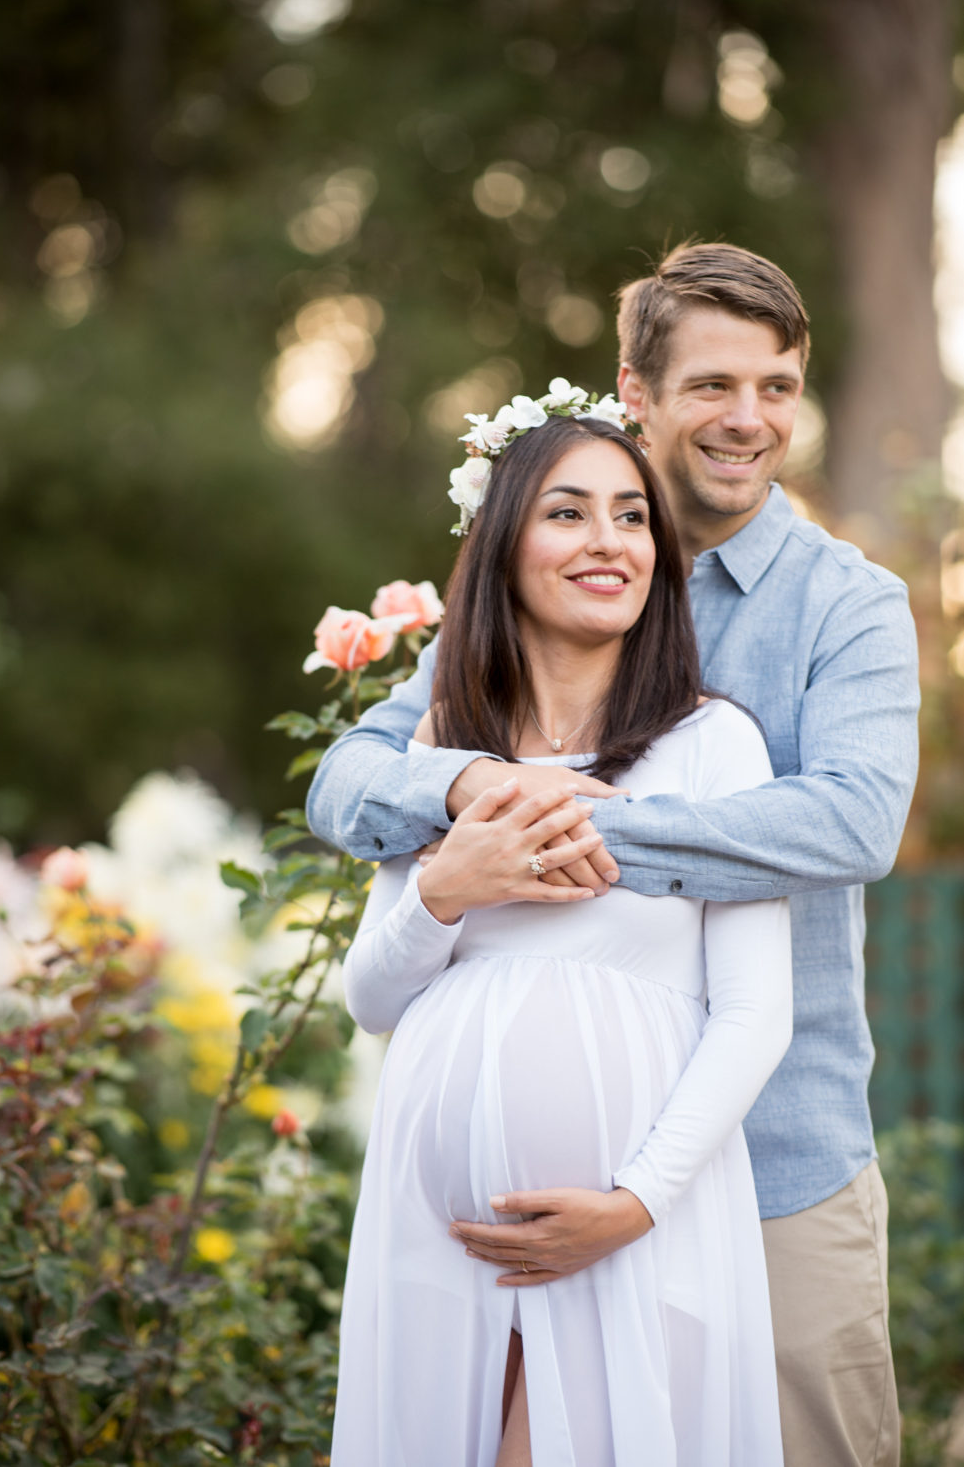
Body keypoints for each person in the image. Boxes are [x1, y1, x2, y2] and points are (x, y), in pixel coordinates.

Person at [307, 242, 920, 1467]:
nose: (746, 421)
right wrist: (474, 786)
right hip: (506, 1213)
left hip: (772, 1165)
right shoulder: (536, 577)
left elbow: (849, 823)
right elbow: (350, 782)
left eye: (777, 387)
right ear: (634, 394)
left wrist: (565, 824)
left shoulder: (843, 606)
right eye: (709, 386)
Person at [328, 395, 792, 1466]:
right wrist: (446, 887)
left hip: (627, 1230)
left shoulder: (713, 745)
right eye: (568, 513)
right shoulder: (444, 751)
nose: (608, 542)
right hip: (434, 1238)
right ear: (503, 548)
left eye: (631, 518)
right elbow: (370, 999)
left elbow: (754, 1013)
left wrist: (634, 1204)